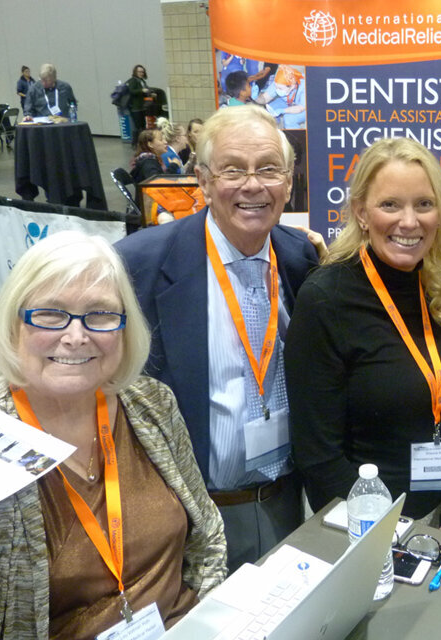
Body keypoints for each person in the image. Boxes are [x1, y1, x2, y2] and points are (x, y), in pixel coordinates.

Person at [0, 231, 227, 638]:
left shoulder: (152, 404)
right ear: (13, 322)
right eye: (51, 314)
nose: (76, 337)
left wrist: (209, 624)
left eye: (100, 314)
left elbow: (208, 536)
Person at [115, 104, 319, 572]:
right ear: (203, 181)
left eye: (268, 169)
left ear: (289, 182)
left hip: (287, 503)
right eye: (232, 170)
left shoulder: (301, 258)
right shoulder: (139, 265)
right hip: (190, 516)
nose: (252, 185)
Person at [284, 137, 441, 531]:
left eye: (424, 204)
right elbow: (319, 454)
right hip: (364, 526)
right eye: (390, 205)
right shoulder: (326, 298)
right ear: (361, 213)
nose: (409, 222)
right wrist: (382, 533)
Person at [127, 64, 151, 144]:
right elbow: (131, 91)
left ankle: (142, 142)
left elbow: (144, 92)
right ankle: (135, 143)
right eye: (139, 72)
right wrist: (141, 90)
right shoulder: (133, 81)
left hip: (142, 106)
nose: (141, 73)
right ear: (135, 72)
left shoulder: (142, 81)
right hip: (135, 107)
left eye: (142, 72)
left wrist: (150, 93)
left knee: (142, 125)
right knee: (137, 127)